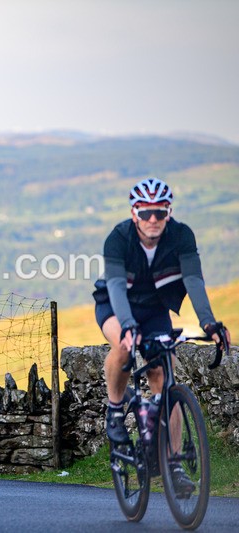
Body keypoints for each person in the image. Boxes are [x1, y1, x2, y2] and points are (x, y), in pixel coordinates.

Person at [93, 177, 231, 491]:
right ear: (134, 214)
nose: (152, 219)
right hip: (116, 307)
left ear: (168, 212)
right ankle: (115, 412)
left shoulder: (181, 236)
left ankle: (175, 466)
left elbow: (194, 280)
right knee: (125, 348)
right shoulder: (118, 238)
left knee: (163, 377)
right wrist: (127, 325)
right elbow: (115, 286)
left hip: (155, 309)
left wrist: (209, 323)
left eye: (159, 212)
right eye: (145, 213)